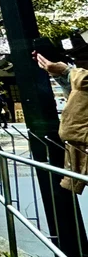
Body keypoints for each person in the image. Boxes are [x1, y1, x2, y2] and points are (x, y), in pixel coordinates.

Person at [35, 48, 88, 193]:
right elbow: (76, 93)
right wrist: (61, 73)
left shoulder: (83, 79)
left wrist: (66, 71)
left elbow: (83, 81)